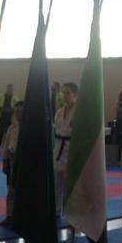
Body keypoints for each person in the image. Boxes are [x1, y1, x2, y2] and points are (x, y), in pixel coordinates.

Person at [53, 82, 78, 217]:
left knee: (70, 185)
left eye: (67, 93)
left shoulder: (80, 111)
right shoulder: (59, 112)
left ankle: (71, 212)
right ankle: (56, 209)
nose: (64, 96)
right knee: (57, 182)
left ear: (75, 94)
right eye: (63, 93)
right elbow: (56, 131)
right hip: (58, 149)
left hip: (71, 150)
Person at [0, 100, 24, 226]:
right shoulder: (12, 128)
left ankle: (22, 216)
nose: (18, 114)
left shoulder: (31, 129)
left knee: (22, 190)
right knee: (11, 190)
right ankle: (9, 215)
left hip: (24, 162)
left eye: (21, 112)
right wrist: (4, 161)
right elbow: (6, 146)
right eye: (16, 112)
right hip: (12, 161)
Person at [0, 84, 16, 153]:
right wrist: (0, 108)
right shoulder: (0, 96)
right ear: (6, 88)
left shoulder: (15, 98)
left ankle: (9, 148)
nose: (10, 90)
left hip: (10, 119)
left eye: (11, 89)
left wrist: (13, 110)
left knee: (9, 135)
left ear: (13, 89)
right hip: (1, 118)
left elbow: (17, 107)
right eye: (9, 88)